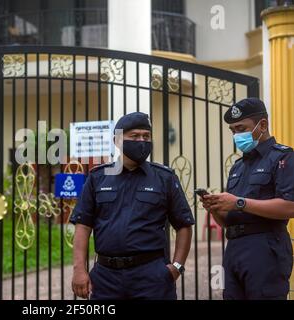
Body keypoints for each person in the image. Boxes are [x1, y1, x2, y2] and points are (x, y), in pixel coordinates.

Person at [70, 112, 194, 300]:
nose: (142, 141)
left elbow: (184, 224)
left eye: (146, 136)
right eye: (134, 136)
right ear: (117, 140)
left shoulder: (165, 178)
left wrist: (176, 267)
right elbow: (83, 225)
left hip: (151, 276)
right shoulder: (97, 178)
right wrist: (79, 269)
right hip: (105, 277)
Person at [201, 97, 294, 300]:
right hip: (234, 247)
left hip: (265, 248)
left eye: (241, 128)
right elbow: (227, 220)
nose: (236, 135)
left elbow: (290, 206)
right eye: (233, 130)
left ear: (262, 125)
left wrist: (239, 203)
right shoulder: (238, 167)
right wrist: (216, 208)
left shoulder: (283, 157)